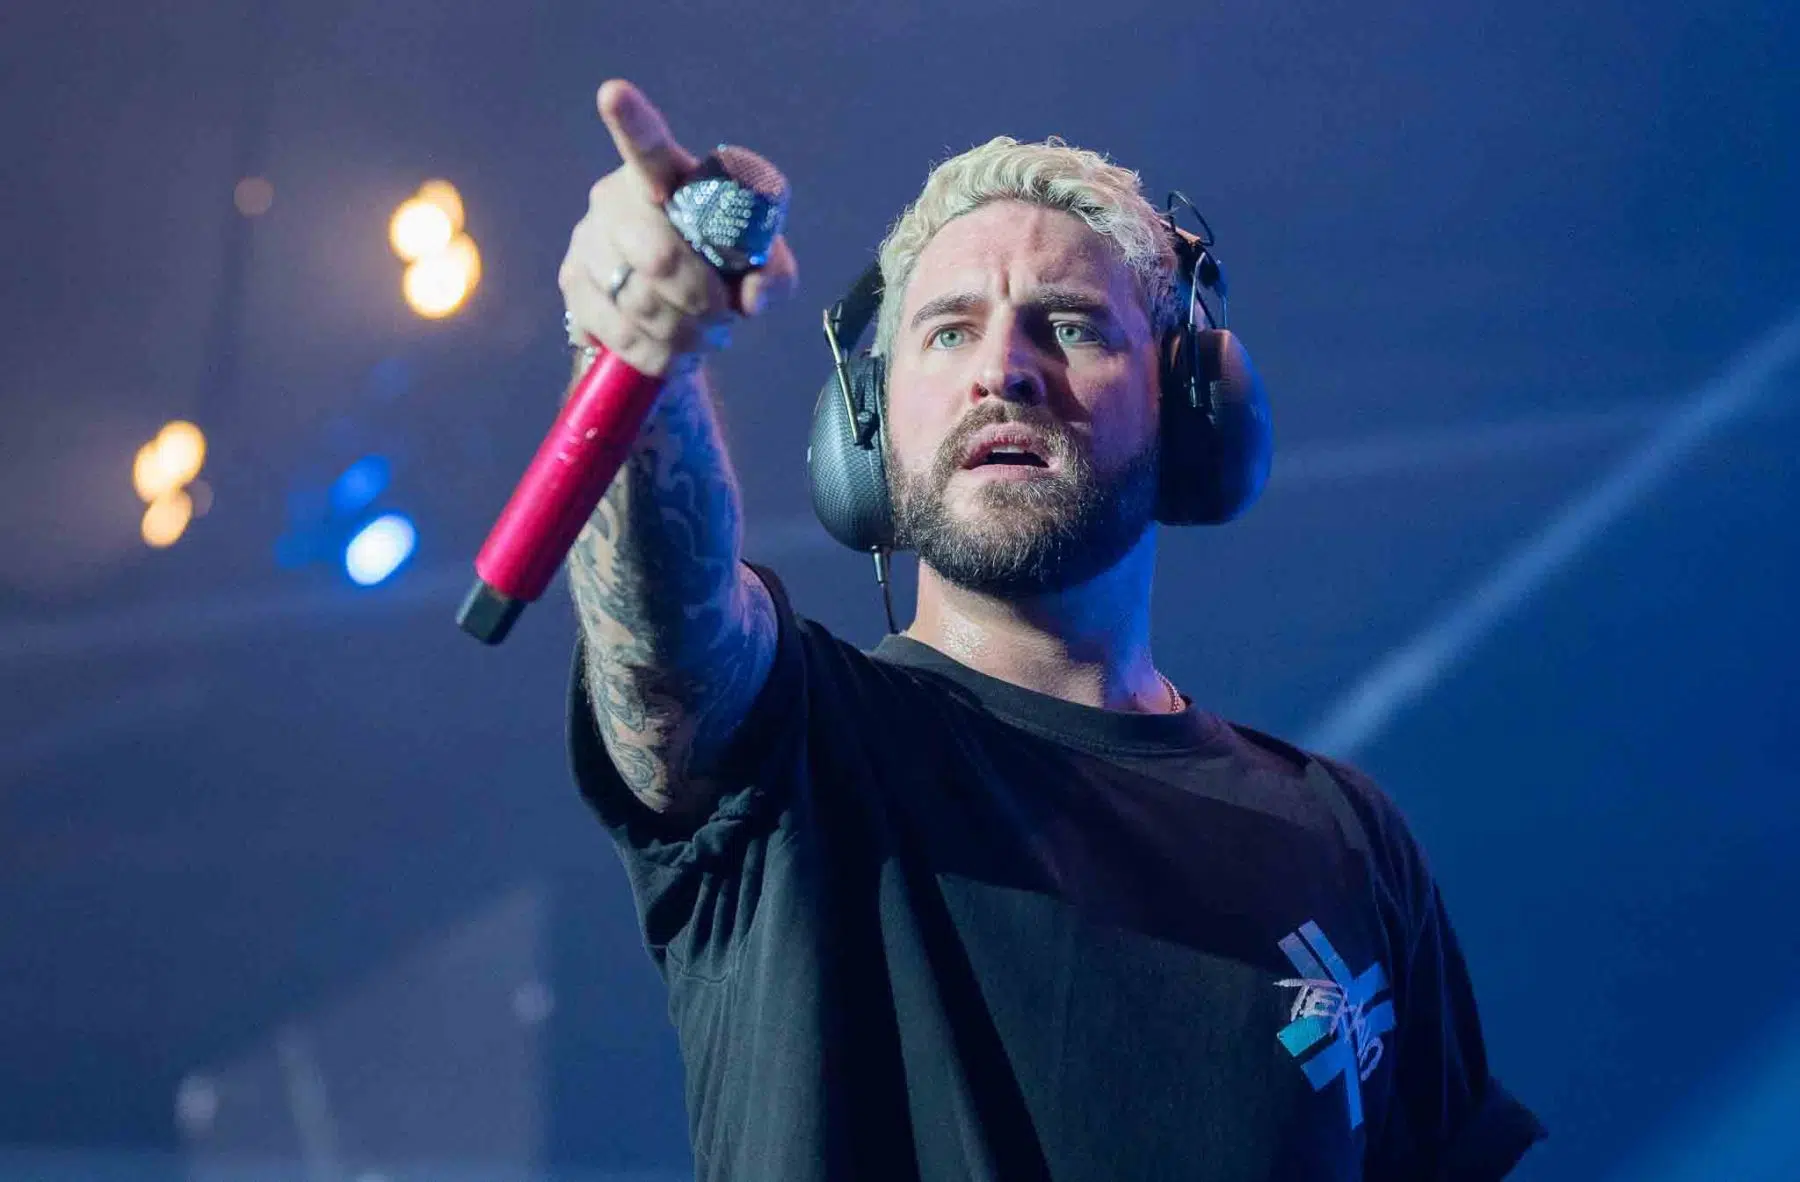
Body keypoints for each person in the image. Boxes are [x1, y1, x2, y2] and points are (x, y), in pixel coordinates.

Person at [558, 78, 1545, 1181]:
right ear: (867, 425)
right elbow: (666, 630)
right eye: (948, 332)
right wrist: (639, 359)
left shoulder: (1346, 838)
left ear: (1187, 404)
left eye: (1068, 326)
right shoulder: (798, 747)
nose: (1001, 372)